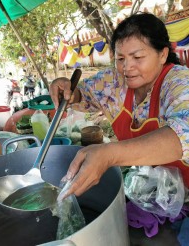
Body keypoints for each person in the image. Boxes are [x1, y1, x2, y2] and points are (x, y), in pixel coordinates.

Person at [49, 12, 189, 198]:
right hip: (154, 193)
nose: (127, 67)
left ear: (162, 54)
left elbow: (185, 133)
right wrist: (68, 91)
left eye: (137, 57)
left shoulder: (179, 81)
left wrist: (109, 154)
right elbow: (83, 95)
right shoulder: (113, 82)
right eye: (120, 59)